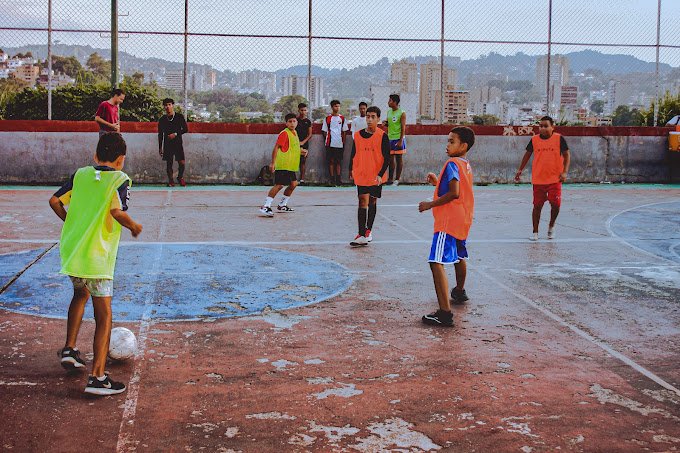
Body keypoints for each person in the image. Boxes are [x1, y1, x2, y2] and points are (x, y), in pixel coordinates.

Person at [49, 132, 143, 395]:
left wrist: (71, 223)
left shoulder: (80, 174)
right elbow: (116, 211)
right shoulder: (119, 179)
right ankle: (98, 377)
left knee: (80, 294)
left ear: (95, 155)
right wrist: (133, 225)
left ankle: (69, 349)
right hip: (97, 257)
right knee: (104, 315)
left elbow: (54, 200)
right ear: (121, 160)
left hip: (73, 252)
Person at [419, 127, 475, 327]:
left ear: (463, 146)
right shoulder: (465, 164)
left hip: (448, 221)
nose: (447, 145)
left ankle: (444, 313)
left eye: (452, 141)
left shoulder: (452, 163)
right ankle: (459, 291)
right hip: (463, 218)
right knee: (459, 256)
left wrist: (429, 205)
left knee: (435, 261)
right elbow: (457, 189)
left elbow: (454, 193)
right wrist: (436, 183)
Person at [514, 116, 571, 241]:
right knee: (537, 206)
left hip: (555, 179)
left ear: (552, 127)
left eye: (546, 126)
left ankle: (551, 226)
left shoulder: (559, 139)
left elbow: (567, 155)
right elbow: (527, 155)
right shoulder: (534, 140)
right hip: (539, 179)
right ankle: (535, 232)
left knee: (555, 204)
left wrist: (565, 172)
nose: (543, 128)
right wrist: (520, 170)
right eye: (540, 126)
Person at [348, 105, 390, 247]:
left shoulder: (382, 135)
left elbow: (387, 158)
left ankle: (368, 230)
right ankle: (361, 233)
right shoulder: (358, 135)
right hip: (362, 174)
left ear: (378, 119)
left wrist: (380, 174)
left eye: (373, 117)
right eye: (368, 116)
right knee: (362, 202)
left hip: (375, 175)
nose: (370, 119)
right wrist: (351, 169)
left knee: (372, 202)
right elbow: (353, 153)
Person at [259, 113, 301, 217]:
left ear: (297, 122)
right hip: (283, 165)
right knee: (279, 185)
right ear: (286, 123)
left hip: (291, 166)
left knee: (293, 184)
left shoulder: (294, 133)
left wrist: (301, 151)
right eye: (290, 121)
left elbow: (291, 148)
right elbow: (276, 147)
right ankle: (266, 206)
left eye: (294, 121)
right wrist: (273, 163)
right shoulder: (284, 133)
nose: (292, 123)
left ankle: (282, 205)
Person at [158, 98, 189, 187]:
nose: (167, 107)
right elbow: (160, 134)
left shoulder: (179, 117)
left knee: (182, 162)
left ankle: (180, 177)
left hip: (178, 143)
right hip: (168, 144)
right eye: (165, 105)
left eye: (169, 105)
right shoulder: (162, 119)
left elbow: (185, 129)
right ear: (164, 107)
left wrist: (175, 134)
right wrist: (160, 147)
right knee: (169, 163)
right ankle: (171, 180)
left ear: (173, 105)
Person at [321, 100, 348, 186]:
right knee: (331, 161)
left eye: (339, 106)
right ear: (332, 107)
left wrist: (342, 142)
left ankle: (338, 179)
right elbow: (324, 131)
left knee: (338, 161)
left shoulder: (342, 118)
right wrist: (328, 139)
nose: (337, 108)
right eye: (336, 106)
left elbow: (344, 131)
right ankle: (332, 179)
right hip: (329, 143)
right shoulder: (327, 118)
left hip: (339, 143)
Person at [386, 94, 406, 186]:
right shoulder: (389, 112)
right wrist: (385, 123)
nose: (388, 102)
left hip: (398, 138)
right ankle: (390, 179)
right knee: (390, 159)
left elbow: (403, 127)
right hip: (390, 138)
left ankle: (397, 179)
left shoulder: (402, 113)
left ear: (395, 102)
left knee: (399, 159)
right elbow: (390, 123)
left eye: (390, 100)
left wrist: (401, 140)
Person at [296, 103, 313, 184]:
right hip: (294, 144)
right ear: (298, 110)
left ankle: (302, 179)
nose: (303, 112)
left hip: (304, 144)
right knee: (293, 161)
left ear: (307, 111)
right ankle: (292, 179)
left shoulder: (308, 121)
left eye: (305, 110)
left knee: (303, 161)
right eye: (301, 110)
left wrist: (303, 142)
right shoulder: (295, 120)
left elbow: (310, 134)